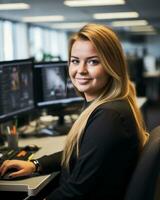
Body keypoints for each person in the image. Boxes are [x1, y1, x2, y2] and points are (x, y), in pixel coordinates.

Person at [0, 23, 149, 200]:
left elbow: (75, 192)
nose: (81, 70)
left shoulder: (109, 117)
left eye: (93, 61)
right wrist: (36, 165)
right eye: (75, 61)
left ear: (112, 66)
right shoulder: (106, 104)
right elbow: (80, 152)